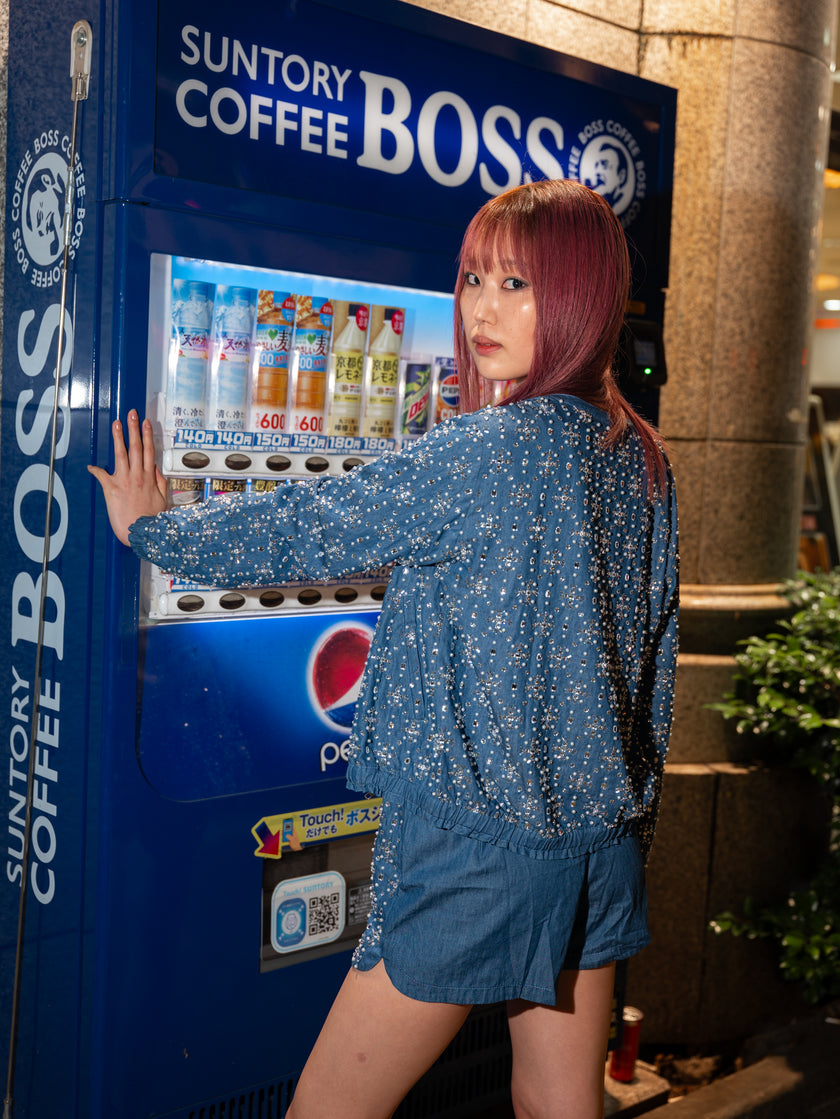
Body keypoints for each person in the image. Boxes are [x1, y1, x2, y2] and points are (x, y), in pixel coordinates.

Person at [89, 178, 679, 1119]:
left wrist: (156, 532)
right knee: (559, 1106)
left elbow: (314, 524)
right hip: (595, 849)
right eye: (474, 277)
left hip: (475, 854)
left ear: (580, 296)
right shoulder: (639, 455)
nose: (483, 308)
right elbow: (654, 671)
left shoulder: (488, 447)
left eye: (517, 285)